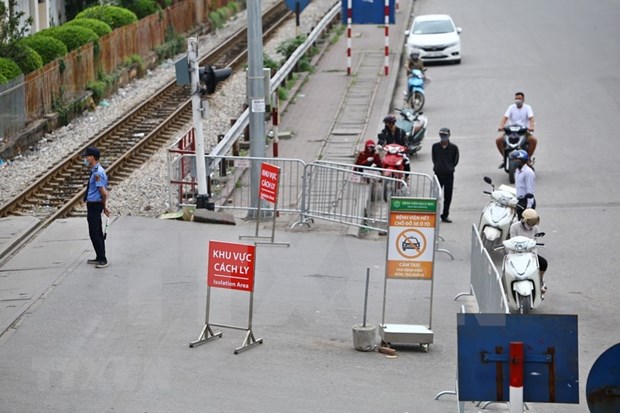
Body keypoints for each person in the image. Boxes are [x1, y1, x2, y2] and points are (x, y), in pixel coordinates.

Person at [82, 146, 110, 268]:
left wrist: (104, 206)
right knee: (97, 231)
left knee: (94, 232)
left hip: (95, 205)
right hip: (94, 204)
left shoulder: (98, 173)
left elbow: (103, 192)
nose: (85, 158)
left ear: (92, 157)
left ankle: (103, 259)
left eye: (87, 156)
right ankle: (99, 256)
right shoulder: (96, 170)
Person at [509, 208, 548, 293]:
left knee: (543, 263)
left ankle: (540, 280)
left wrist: (533, 254)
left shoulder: (536, 229)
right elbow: (513, 241)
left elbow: (536, 243)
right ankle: (505, 288)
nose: (531, 225)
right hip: (515, 254)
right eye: (530, 222)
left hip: (530, 254)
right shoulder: (514, 227)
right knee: (508, 269)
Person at [495, 91, 538, 167]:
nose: (517, 100)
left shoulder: (527, 108)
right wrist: (501, 126)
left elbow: (531, 119)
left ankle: (527, 158)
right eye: (516, 98)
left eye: (519, 98)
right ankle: (505, 158)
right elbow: (505, 118)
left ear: (523, 99)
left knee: (533, 140)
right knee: (498, 140)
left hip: (524, 131)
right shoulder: (511, 107)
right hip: (511, 131)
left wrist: (531, 127)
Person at [432, 127, 459, 223]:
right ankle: (434, 214)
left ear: (449, 136)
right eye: (442, 135)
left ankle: (445, 214)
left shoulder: (454, 148)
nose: (443, 137)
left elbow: (455, 161)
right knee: (436, 196)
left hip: (449, 175)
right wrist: (438, 166)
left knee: (448, 196)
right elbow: (434, 158)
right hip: (438, 174)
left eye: (445, 135)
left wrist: (449, 167)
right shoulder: (435, 146)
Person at [511, 149, 536, 219]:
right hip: (519, 201)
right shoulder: (517, 171)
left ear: (520, 161)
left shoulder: (528, 173)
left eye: (515, 160)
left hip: (526, 202)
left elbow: (530, 190)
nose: (513, 162)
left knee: (526, 228)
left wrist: (528, 208)